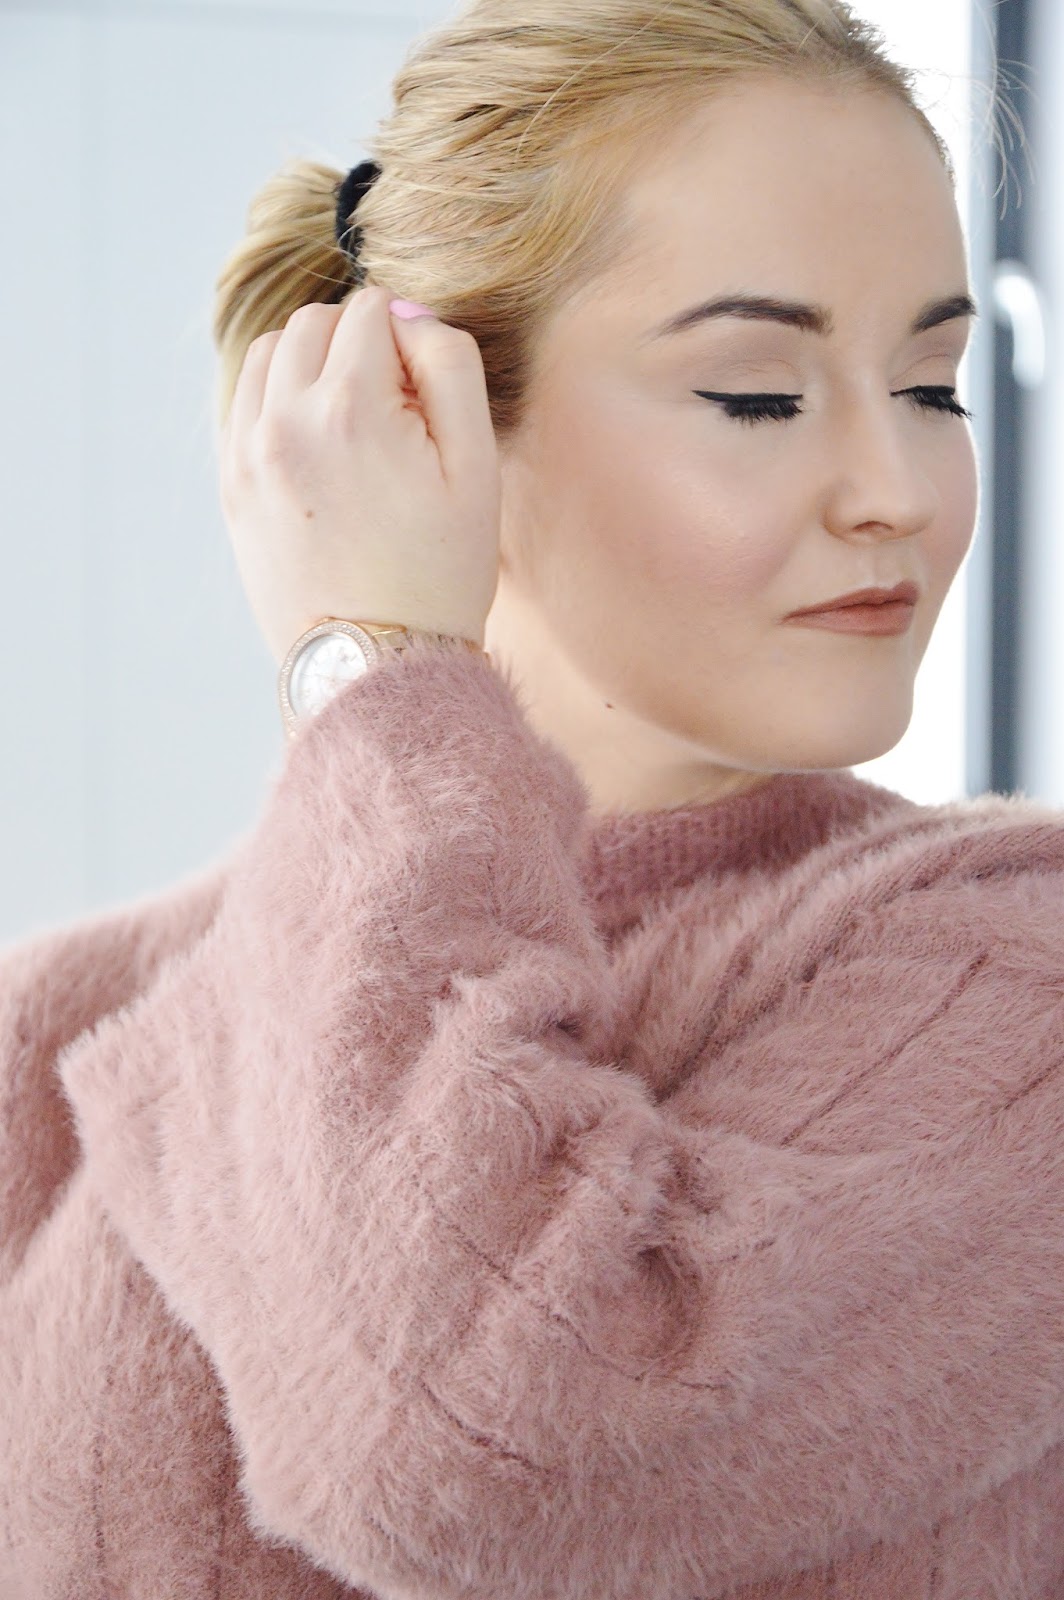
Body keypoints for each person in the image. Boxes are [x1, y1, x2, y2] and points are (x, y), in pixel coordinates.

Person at [2, 2, 1063, 1597]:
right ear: (432, 418)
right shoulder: (58, 1026)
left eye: (933, 386)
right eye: (759, 395)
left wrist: (377, 673)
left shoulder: (1014, 980)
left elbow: (473, 1451)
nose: (901, 492)